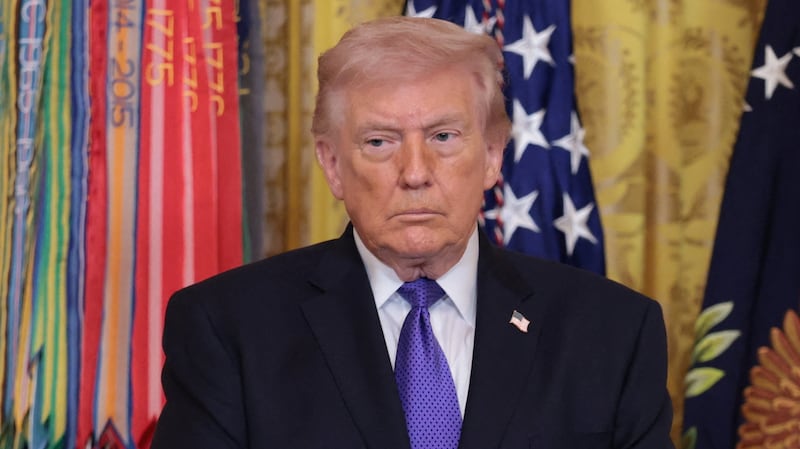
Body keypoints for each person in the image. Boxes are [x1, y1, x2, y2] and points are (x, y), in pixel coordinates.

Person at [151, 16, 674, 449]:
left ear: (493, 155)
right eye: (380, 142)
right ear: (332, 164)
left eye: (443, 136)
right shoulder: (229, 329)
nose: (416, 172)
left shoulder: (613, 330)